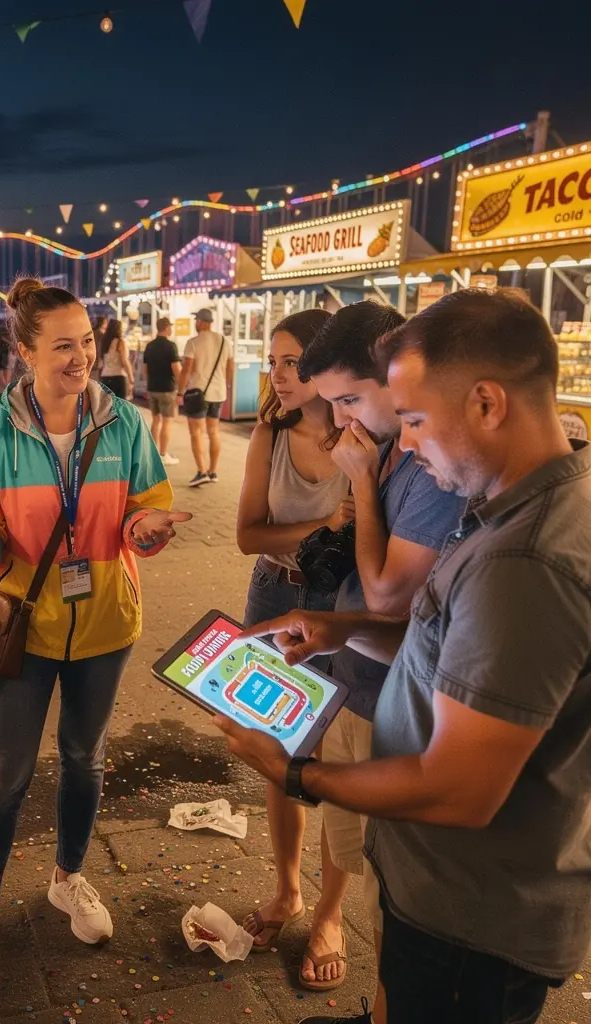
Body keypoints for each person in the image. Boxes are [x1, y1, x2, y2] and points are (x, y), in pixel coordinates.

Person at [221, 289, 591, 1024]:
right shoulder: (514, 507)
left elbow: (458, 787)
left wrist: (294, 771)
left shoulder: (524, 558)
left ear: (486, 404)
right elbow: (444, 640)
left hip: (472, 911)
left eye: (416, 420)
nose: (408, 445)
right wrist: (343, 631)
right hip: (446, 889)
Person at [0, 276, 190, 995]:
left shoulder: (122, 423)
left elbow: (146, 507)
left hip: (105, 621)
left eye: (87, 341)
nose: (81, 357)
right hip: (21, 626)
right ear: (23, 351)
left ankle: (68, 878)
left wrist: (144, 528)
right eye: (63, 345)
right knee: (4, 776)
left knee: (86, 758)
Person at [243, 302, 465, 1018]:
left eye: (348, 398)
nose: (339, 415)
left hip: (390, 695)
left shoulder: (418, 463)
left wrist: (361, 486)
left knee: (389, 884)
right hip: (351, 663)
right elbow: (254, 534)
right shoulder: (377, 445)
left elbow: (390, 591)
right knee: (352, 837)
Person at [235, 308, 352, 951]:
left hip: (344, 610)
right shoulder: (270, 438)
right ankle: (286, 888)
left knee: (337, 755)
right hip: (273, 596)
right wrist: (325, 526)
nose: (279, 375)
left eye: (293, 361)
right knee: (275, 750)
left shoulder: (365, 439)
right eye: (273, 361)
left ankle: (330, 915)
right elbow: (247, 535)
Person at [177, 309, 233, 487]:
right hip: (218, 393)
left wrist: (180, 392)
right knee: (213, 432)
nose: (195, 323)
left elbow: (187, 369)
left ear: (201, 322)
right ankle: (213, 471)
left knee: (196, 433)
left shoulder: (193, 342)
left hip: (197, 394)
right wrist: (225, 384)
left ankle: (201, 472)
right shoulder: (225, 341)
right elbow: (230, 368)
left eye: (196, 320)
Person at [142, 317, 182, 465]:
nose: (171, 329)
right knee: (167, 421)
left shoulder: (150, 346)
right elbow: (177, 370)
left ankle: (153, 453)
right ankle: (163, 454)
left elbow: (145, 369)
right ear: (166, 328)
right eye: (170, 327)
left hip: (153, 387)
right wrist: (182, 384)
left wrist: (150, 382)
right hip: (167, 388)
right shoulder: (171, 346)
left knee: (156, 419)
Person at [99, 318, 133, 399]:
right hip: (118, 377)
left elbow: (101, 362)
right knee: (120, 407)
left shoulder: (104, 342)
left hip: (105, 376)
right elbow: (124, 361)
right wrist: (131, 377)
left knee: (107, 406)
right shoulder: (120, 342)